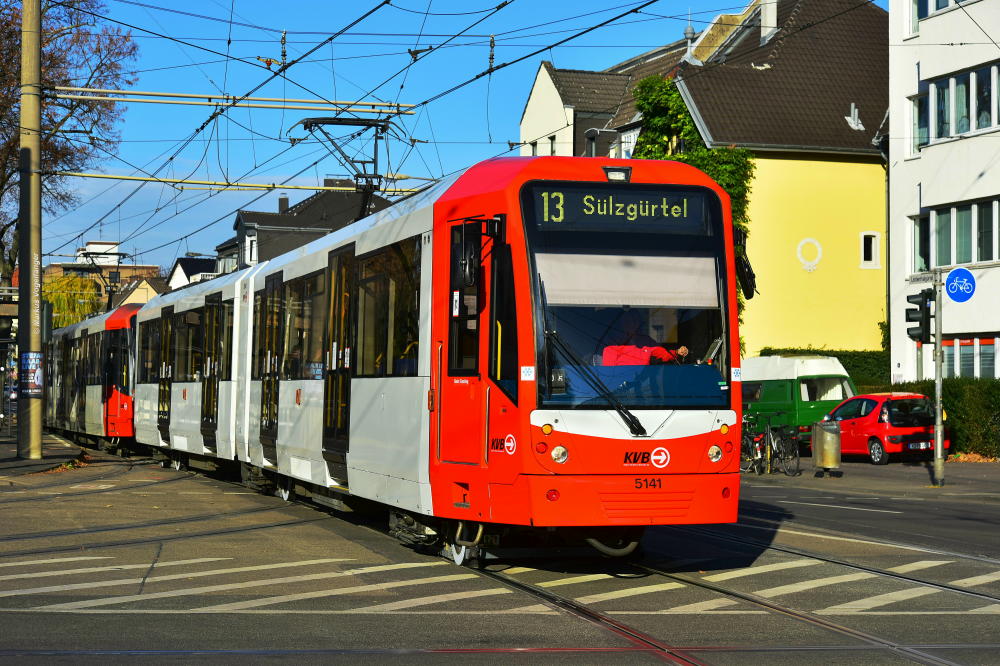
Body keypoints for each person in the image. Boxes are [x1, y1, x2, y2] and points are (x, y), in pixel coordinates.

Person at [601, 310, 689, 366]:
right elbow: (609, 370)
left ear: (638, 323)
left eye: (634, 320)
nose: (631, 323)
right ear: (622, 323)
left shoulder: (646, 340)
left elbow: (660, 353)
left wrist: (677, 352)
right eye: (627, 320)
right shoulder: (612, 343)